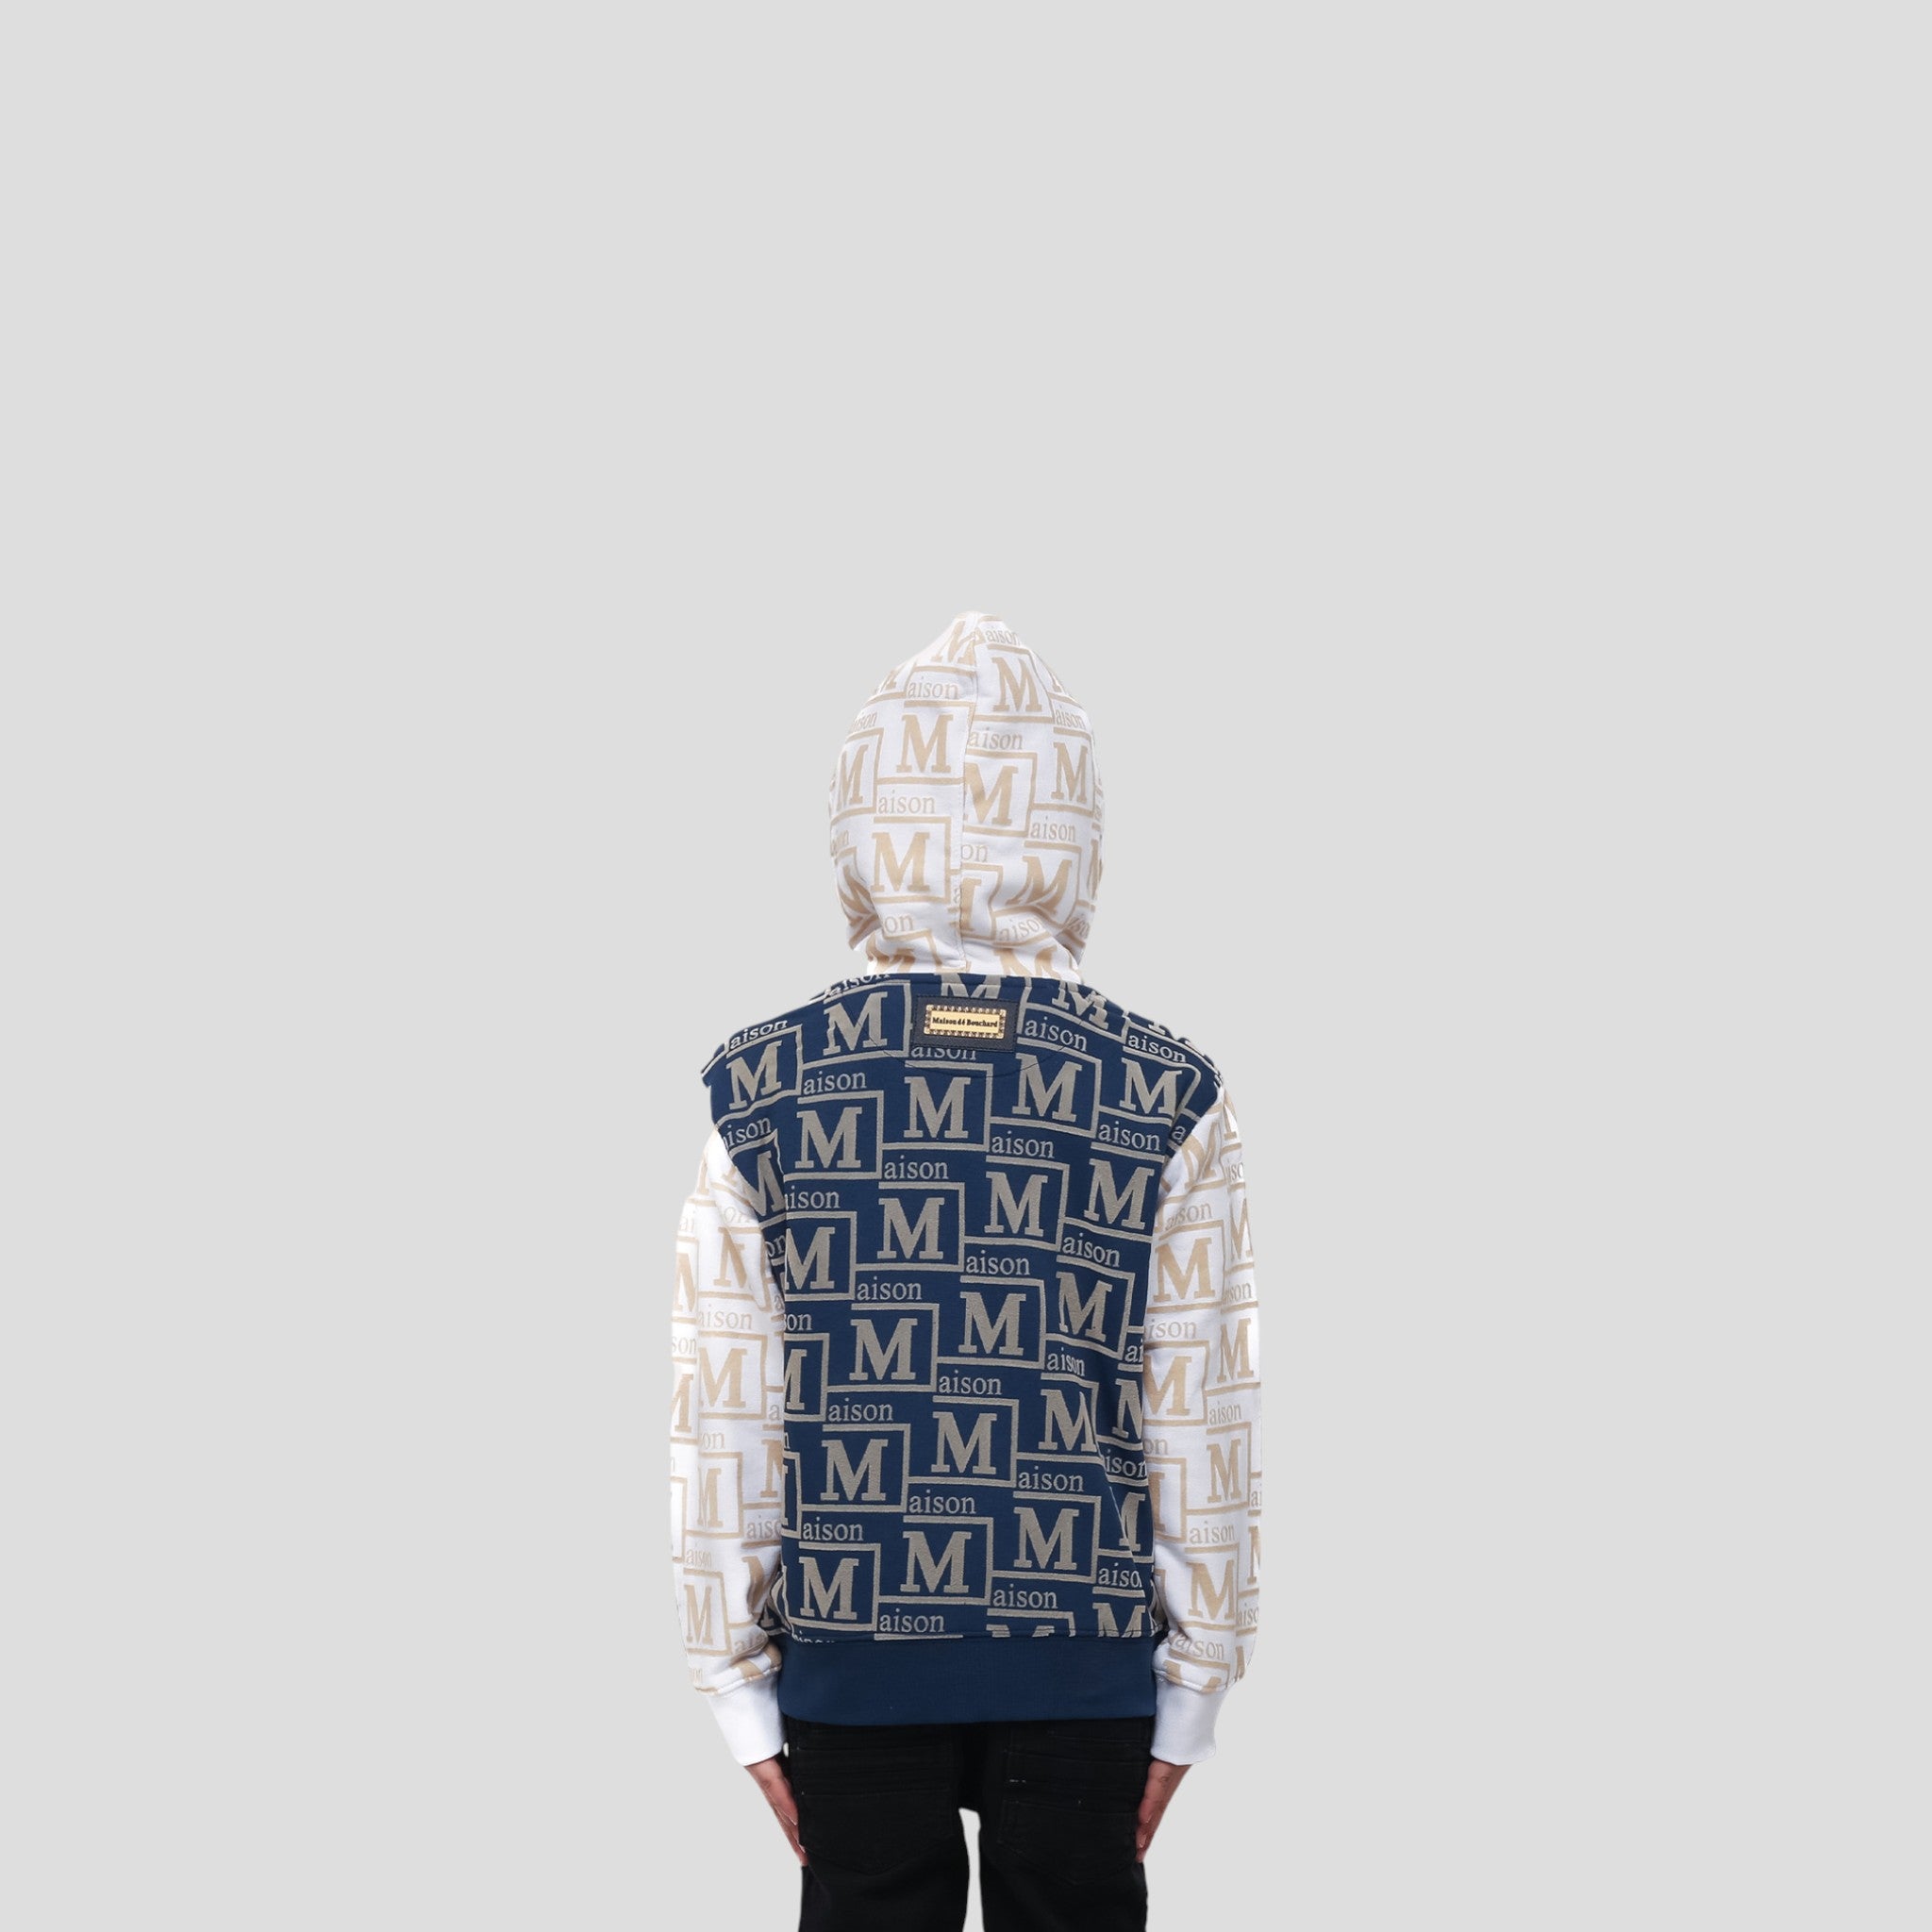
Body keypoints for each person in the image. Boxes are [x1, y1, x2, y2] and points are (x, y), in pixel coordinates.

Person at [669, 611, 1263, 1930]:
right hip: (1083, 1666)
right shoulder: (1166, 1093)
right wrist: (1197, 1685)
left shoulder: (764, 1089)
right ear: (1075, 831)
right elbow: (1202, 1411)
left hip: (853, 1657)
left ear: (859, 824)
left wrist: (735, 1685)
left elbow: (726, 1413)